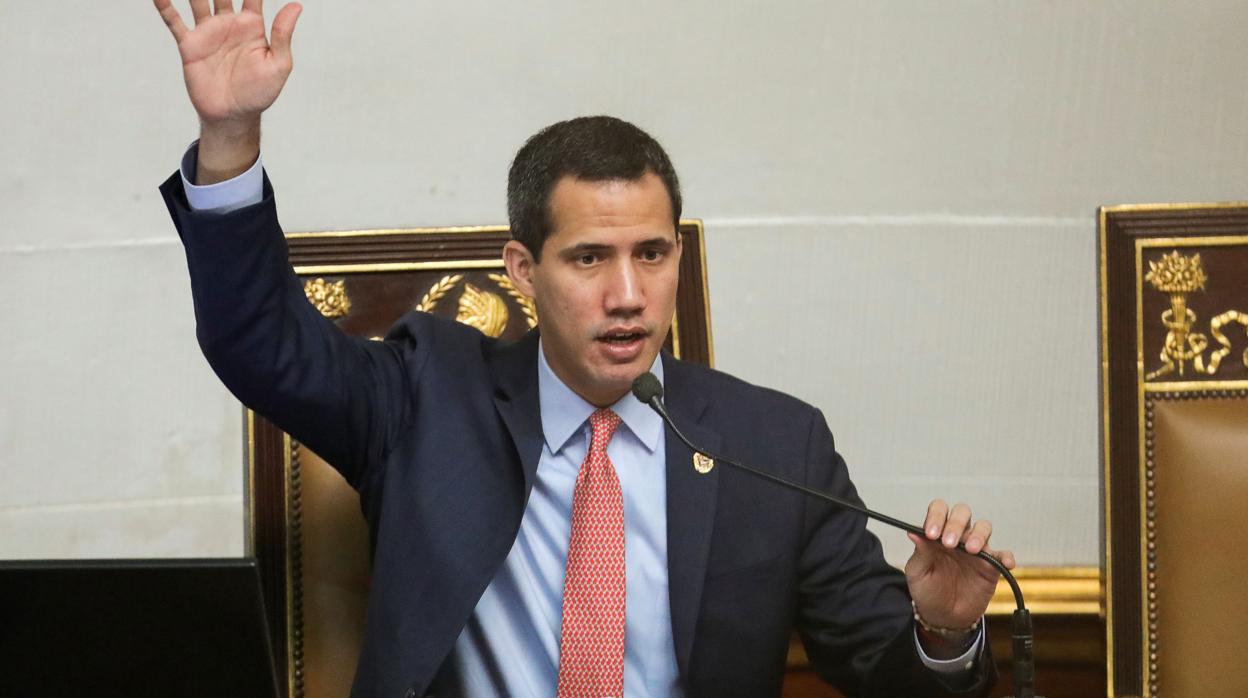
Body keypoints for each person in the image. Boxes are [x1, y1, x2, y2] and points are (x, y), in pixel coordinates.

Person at [153, 1, 1017, 696]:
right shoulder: (428, 397)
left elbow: (879, 666)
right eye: (589, 259)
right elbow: (260, 344)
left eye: (652, 254)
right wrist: (230, 142)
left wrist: (943, 631)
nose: (629, 296)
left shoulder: (774, 446)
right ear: (523, 270)